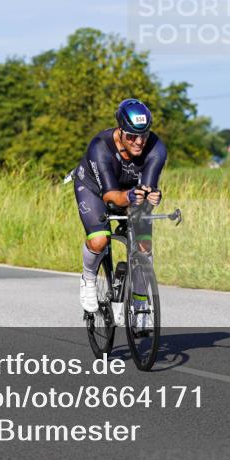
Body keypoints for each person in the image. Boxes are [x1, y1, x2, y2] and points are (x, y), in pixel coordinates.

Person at [73, 99, 166, 327]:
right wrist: (131, 197)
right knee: (99, 241)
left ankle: (141, 304)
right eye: (132, 136)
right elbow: (110, 195)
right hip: (95, 190)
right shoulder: (100, 146)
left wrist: (151, 196)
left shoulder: (157, 148)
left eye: (144, 135)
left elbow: (146, 189)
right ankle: (88, 279)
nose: (139, 141)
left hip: (129, 192)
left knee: (144, 248)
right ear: (120, 131)